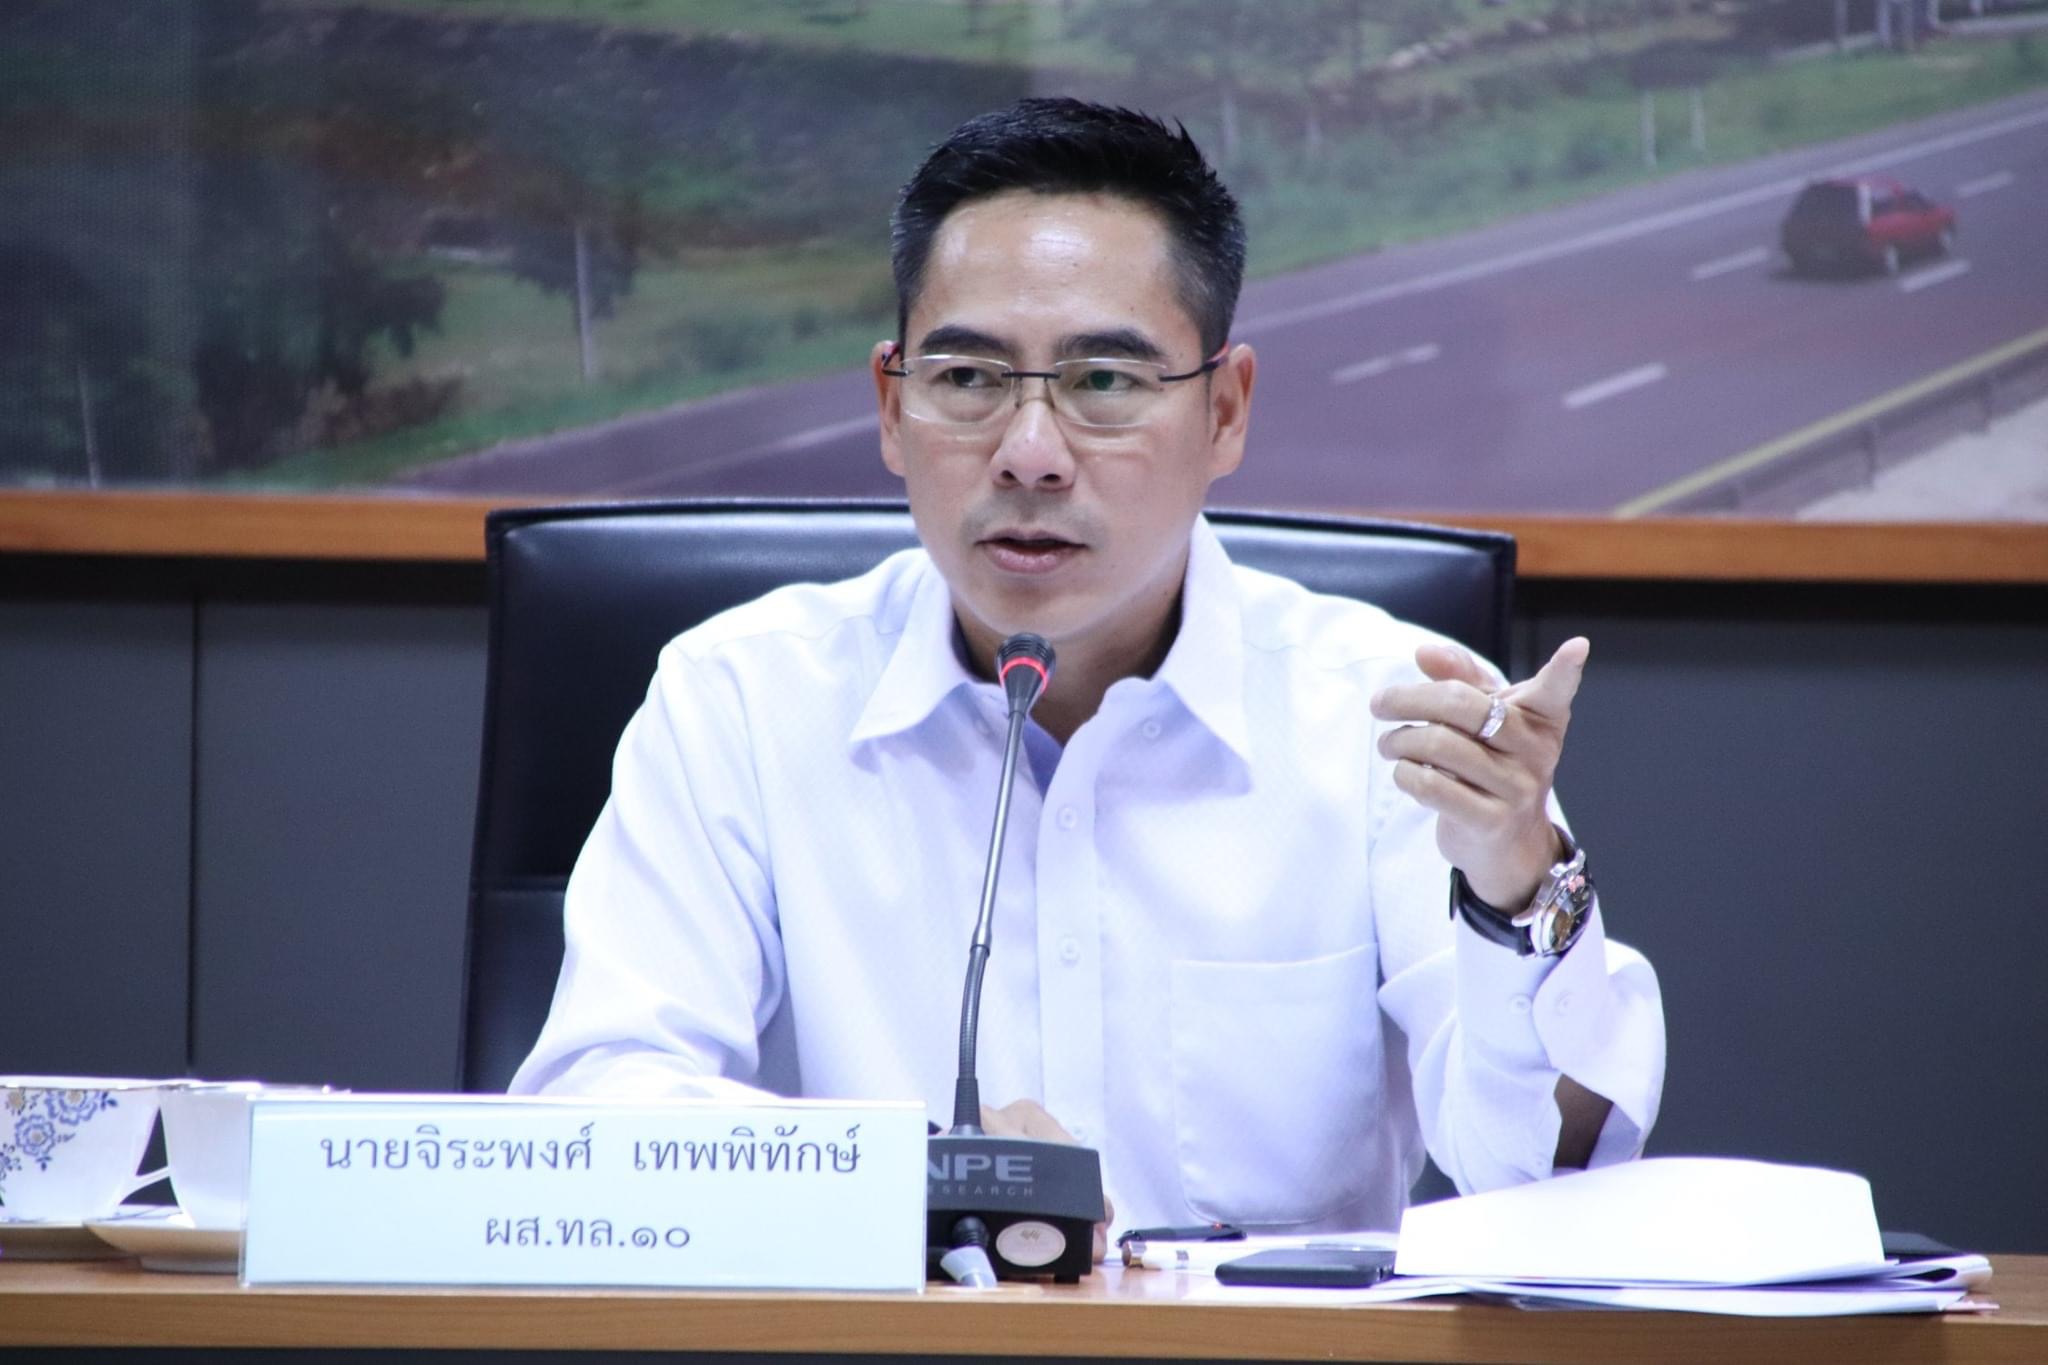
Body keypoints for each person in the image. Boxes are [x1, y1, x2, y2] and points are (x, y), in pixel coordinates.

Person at [511, 98, 1664, 1243]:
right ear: (891, 409)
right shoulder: (743, 698)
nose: (1028, 456)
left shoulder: (1381, 713)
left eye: (1103, 383)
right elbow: (599, 1102)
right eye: (967, 380)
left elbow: (1540, 1170)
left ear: (1224, 411)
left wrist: (1516, 888)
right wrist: (921, 1182)